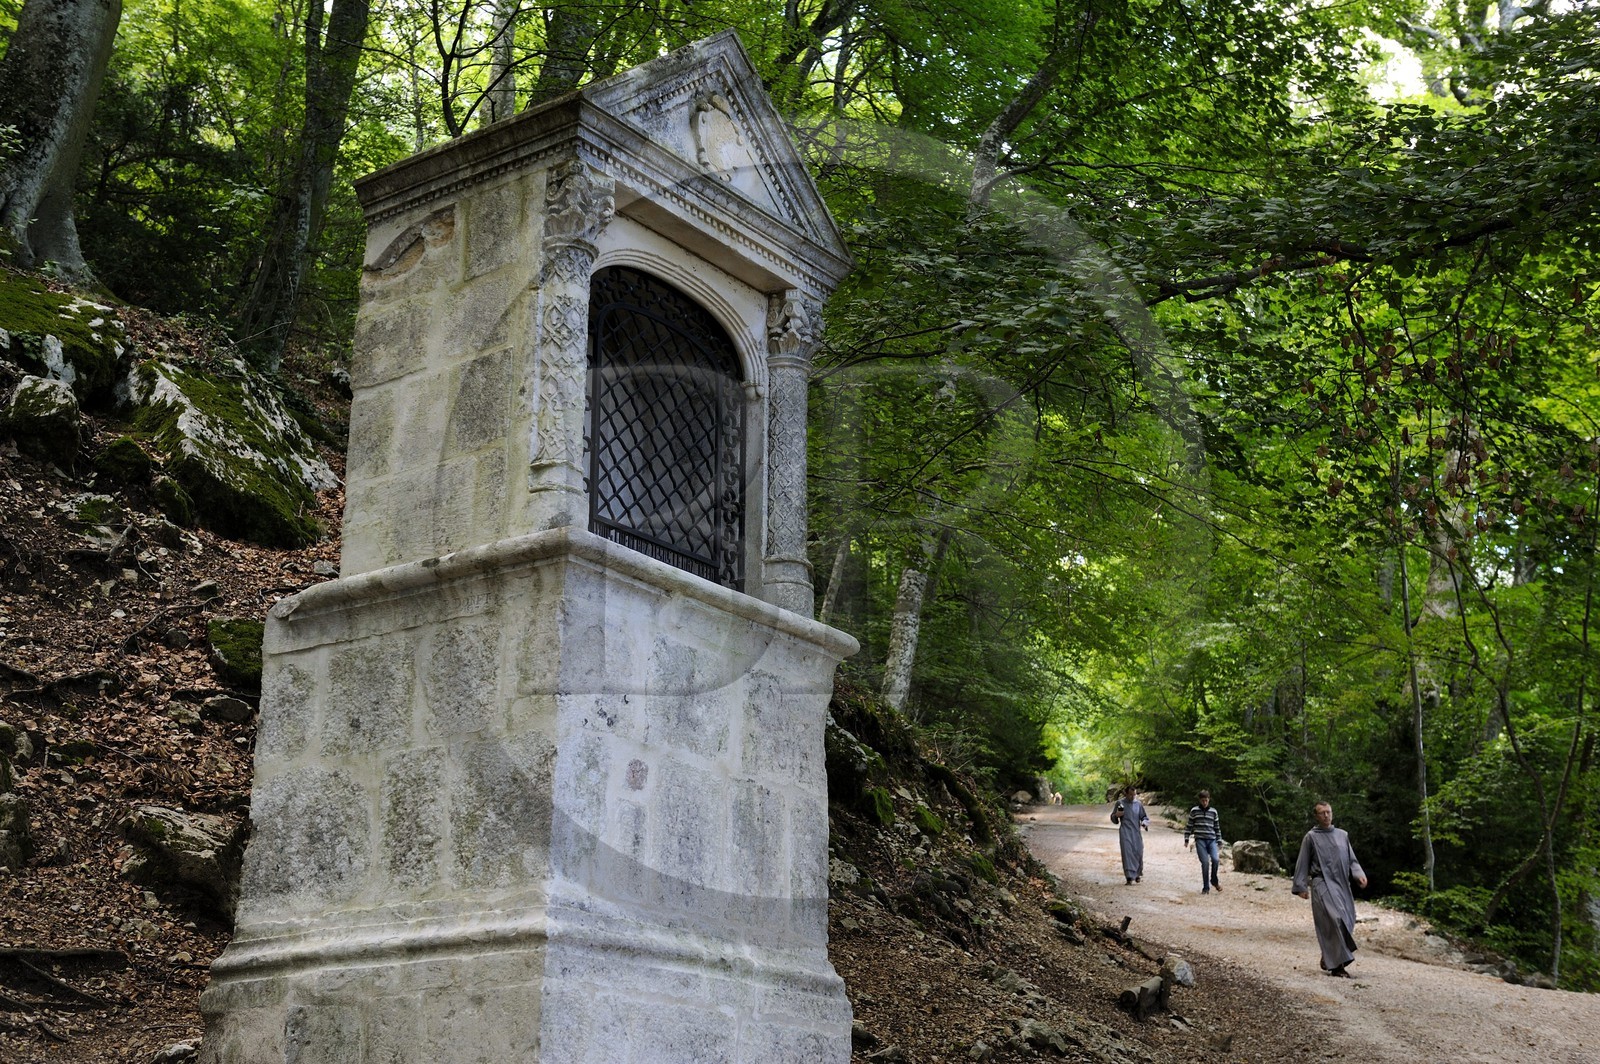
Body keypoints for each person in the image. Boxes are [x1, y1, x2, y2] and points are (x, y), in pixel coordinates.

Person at [1292, 801, 1368, 978]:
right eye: (1322, 813)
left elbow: (1352, 860)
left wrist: (1359, 875)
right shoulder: (1311, 837)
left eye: (1328, 812)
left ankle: (1329, 957)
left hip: (1342, 883)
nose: (1326, 815)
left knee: (1348, 919)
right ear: (1316, 816)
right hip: (1322, 883)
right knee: (1334, 920)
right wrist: (1301, 886)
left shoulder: (1342, 835)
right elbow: (1302, 862)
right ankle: (1337, 966)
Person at [1183, 789, 1223, 893]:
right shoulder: (1194, 811)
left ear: (1209, 800)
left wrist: (1219, 841)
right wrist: (1186, 839)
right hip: (1200, 840)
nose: (1204, 803)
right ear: (1200, 800)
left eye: (1206, 800)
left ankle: (1214, 880)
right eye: (1202, 800)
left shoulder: (1213, 812)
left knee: (1215, 859)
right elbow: (1189, 826)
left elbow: (1217, 827)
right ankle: (1206, 887)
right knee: (1205, 862)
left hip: (1211, 840)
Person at [1109, 785, 1149, 885]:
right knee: (1127, 853)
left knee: (1138, 852)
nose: (1132, 797)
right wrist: (1116, 816)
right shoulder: (1120, 803)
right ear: (1126, 794)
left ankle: (1137, 874)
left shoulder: (1138, 804)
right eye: (1130, 795)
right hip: (1125, 831)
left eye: (1134, 795)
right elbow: (1114, 818)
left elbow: (1144, 817)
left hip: (1136, 832)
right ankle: (1129, 877)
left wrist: (1144, 823)